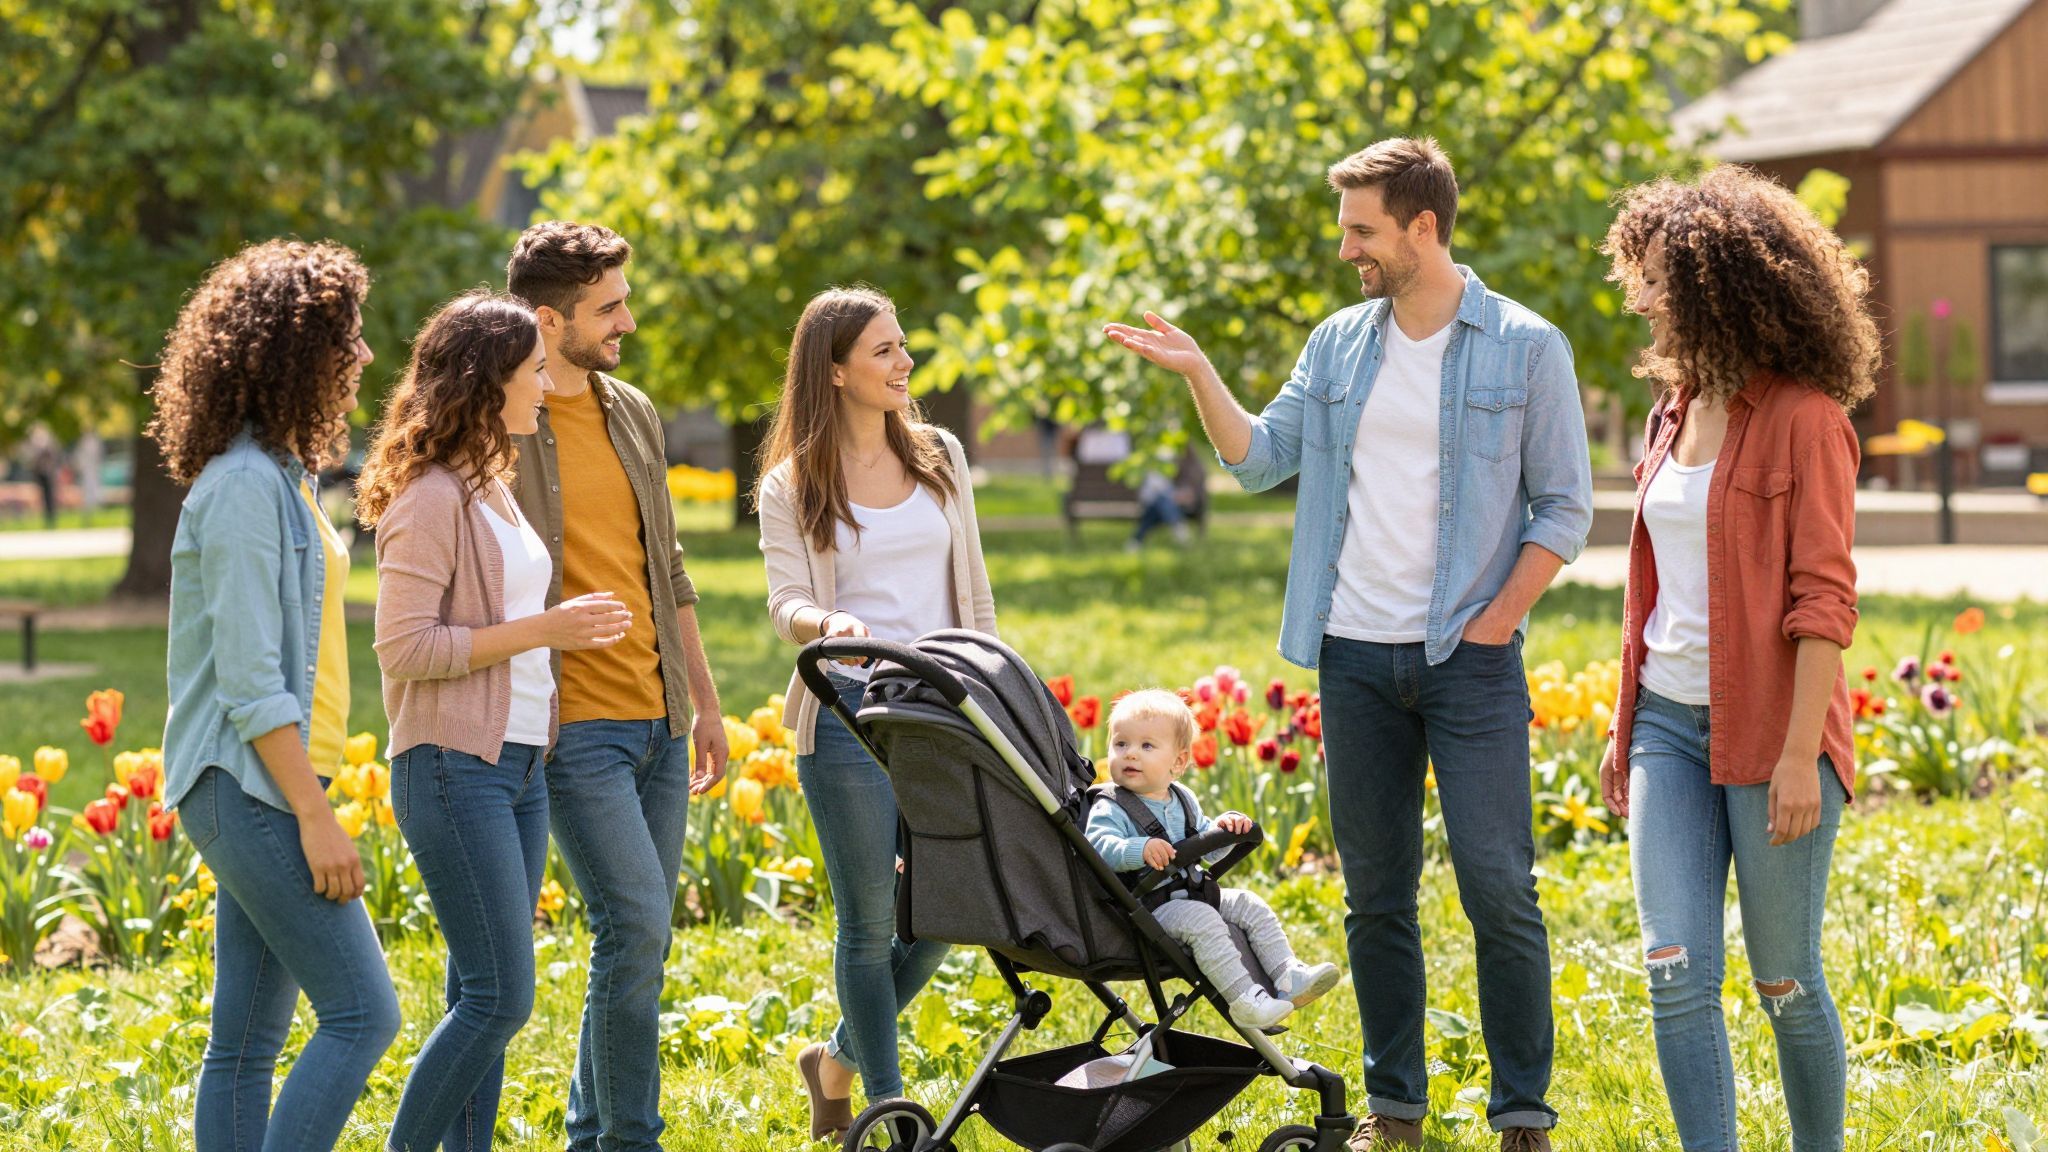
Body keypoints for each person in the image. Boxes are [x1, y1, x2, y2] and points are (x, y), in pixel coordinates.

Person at [1103, 137, 1593, 1151]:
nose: (1345, 250)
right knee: (1375, 895)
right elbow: (1257, 460)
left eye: (1361, 230)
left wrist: (1492, 624)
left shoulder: (1525, 345)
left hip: (1470, 660)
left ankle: (1522, 1115)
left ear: (1423, 226)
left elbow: (1564, 509)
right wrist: (1199, 373)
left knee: (1497, 886)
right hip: (1354, 657)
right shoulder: (1336, 344)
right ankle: (1396, 1110)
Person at [1598, 166, 1876, 1152]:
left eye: (1657, 277)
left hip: (1772, 736)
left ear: (1717, 285)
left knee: (1783, 979)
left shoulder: (1807, 422)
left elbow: (1821, 604)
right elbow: (1655, 586)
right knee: (1672, 969)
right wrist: (1622, 726)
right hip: (1666, 728)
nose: (1638, 295)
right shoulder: (1669, 412)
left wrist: (1801, 754)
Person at [357, 291, 630, 1151]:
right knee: (500, 997)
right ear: (488, 381)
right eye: (533, 371)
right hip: (451, 764)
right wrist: (547, 629)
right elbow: (404, 648)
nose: (546, 387)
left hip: (515, 766)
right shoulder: (431, 497)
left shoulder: (494, 487)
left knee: (481, 995)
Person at [153, 239, 400, 1151]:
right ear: (296, 349)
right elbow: (254, 681)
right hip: (255, 786)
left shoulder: (286, 479)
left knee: (247, 1042)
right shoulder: (248, 489)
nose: (366, 357)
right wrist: (314, 816)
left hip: (273, 783)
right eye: (350, 338)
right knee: (363, 1015)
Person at [503, 222, 728, 1152]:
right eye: (610, 307)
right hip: (572, 726)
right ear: (548, 320)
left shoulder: (629, 408)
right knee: (634, 924)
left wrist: (704, 704)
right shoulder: (503, 423)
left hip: (659, 719)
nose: (627, 321)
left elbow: (665, 568)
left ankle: (590, 1131)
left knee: (634, 937)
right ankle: (631, 1140)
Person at [755, 285, 997, 1140]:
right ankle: (892, 1117)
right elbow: (786, 600)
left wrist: (992, 688)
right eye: (885, 352)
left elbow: (975, 594)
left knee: (944, 912)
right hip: (850, 709)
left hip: (943, 707)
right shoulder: (793, 484)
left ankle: (832, 1063)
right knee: (866, 924)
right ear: (835, 372)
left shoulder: (940, 455)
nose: (905, 364)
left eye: (903, 345)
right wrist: (828, 625)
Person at [1084, 690, 1341, 1028]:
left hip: (1193, 892)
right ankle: (1243, 999)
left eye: (1146, 746)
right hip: (1147, 908)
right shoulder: (1110, 806)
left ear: (1178, 763)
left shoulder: (1183, 799)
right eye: (1121, 744)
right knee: (1203, 920)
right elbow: (1096, 847)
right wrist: (1138, 849)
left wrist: (1224, 828)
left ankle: (1287, 975)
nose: (1130, 753)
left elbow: (1206, 844)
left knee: (1248, 903)